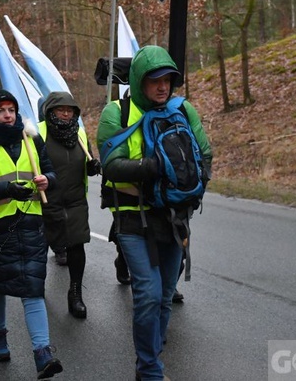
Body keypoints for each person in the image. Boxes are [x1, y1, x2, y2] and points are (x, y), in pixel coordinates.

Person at [96, 46, 212, 381]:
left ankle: (151, 356)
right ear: (138, 80)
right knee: (146, 292)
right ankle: (149, 369)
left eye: (168, 80)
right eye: (154, 80)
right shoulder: (115, 113)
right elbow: (111, 164)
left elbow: (204, 153)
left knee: (163, 296)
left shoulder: (182, 109)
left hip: (175, 217)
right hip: (133, 216)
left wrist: (195, 189)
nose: (163, 86)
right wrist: (155, 168)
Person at [0, 88, 63, 379]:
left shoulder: (31, 138)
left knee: (33, 288)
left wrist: (48, 180)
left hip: (30, 226)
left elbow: (50, 172)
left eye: (11, 110)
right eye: (0, 111)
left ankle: (43, 353)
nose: (8, 116)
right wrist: (6, 190)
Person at [38, 91, 101, 319]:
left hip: (75, 201)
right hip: (46, 201)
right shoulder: (38, 133)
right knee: (41, 247)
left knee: (76, 246)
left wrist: (92, 166)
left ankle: (75, 294)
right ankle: (37, 290)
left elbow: (85, 161)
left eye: (70, 110)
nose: (66, 114)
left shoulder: (80, 133)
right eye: (60, 110)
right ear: (50, 112)